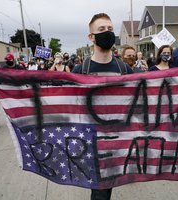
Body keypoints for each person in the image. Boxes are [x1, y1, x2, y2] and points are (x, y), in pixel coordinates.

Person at [72, 13, 133, 200]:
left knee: (109, 187)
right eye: (101, 30)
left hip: (118, 140)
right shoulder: (80, 71)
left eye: (110, 29)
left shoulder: (125, 70)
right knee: (100, 192)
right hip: (92, 142)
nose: (107, 33)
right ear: (91, 37)